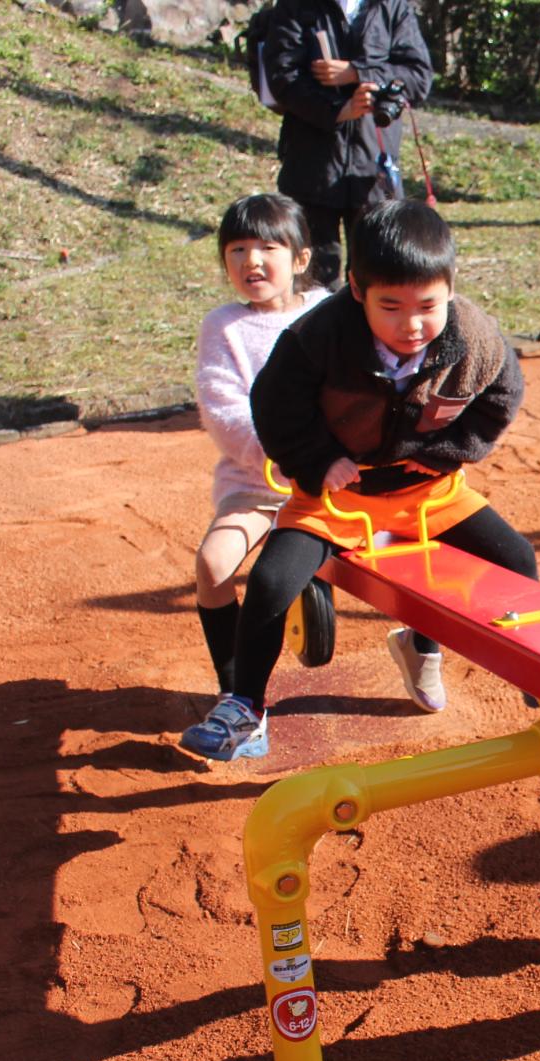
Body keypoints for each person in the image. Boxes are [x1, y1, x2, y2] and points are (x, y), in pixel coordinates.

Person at [178, 200, 537, 762]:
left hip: (428, 493)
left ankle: (506, 659)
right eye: (389, 306)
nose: (411, 324)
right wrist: (317, 460)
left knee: (515, 558)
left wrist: (449, 452)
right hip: (336, 500)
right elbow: (273, 407)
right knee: (273, 583)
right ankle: (244, 704)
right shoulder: (317, 336)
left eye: (427, 305)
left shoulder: (473, 335)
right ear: (355, 289)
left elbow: (502, 395)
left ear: (449, 289)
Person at [191, 194, 330, 699]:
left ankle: (420, 647)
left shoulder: (328, 310)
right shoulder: (223, 327)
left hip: (333, 482)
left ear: (300, 259)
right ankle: (237, 694)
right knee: (213, 564)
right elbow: (224, 409)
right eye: (237, 249)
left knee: (411, 558)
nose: (251, 260)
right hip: (260, 485)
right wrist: (283, 454)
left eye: (268, 247)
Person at [261, 0, 432, 290]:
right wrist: (339, 110)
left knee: (377, 277)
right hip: (311, 166)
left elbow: (419, 77)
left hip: (373, 172)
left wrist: (358, 72)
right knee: (311, 281)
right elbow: (282, 76)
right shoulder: (294, 6)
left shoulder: (392, 6)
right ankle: (318, 336)